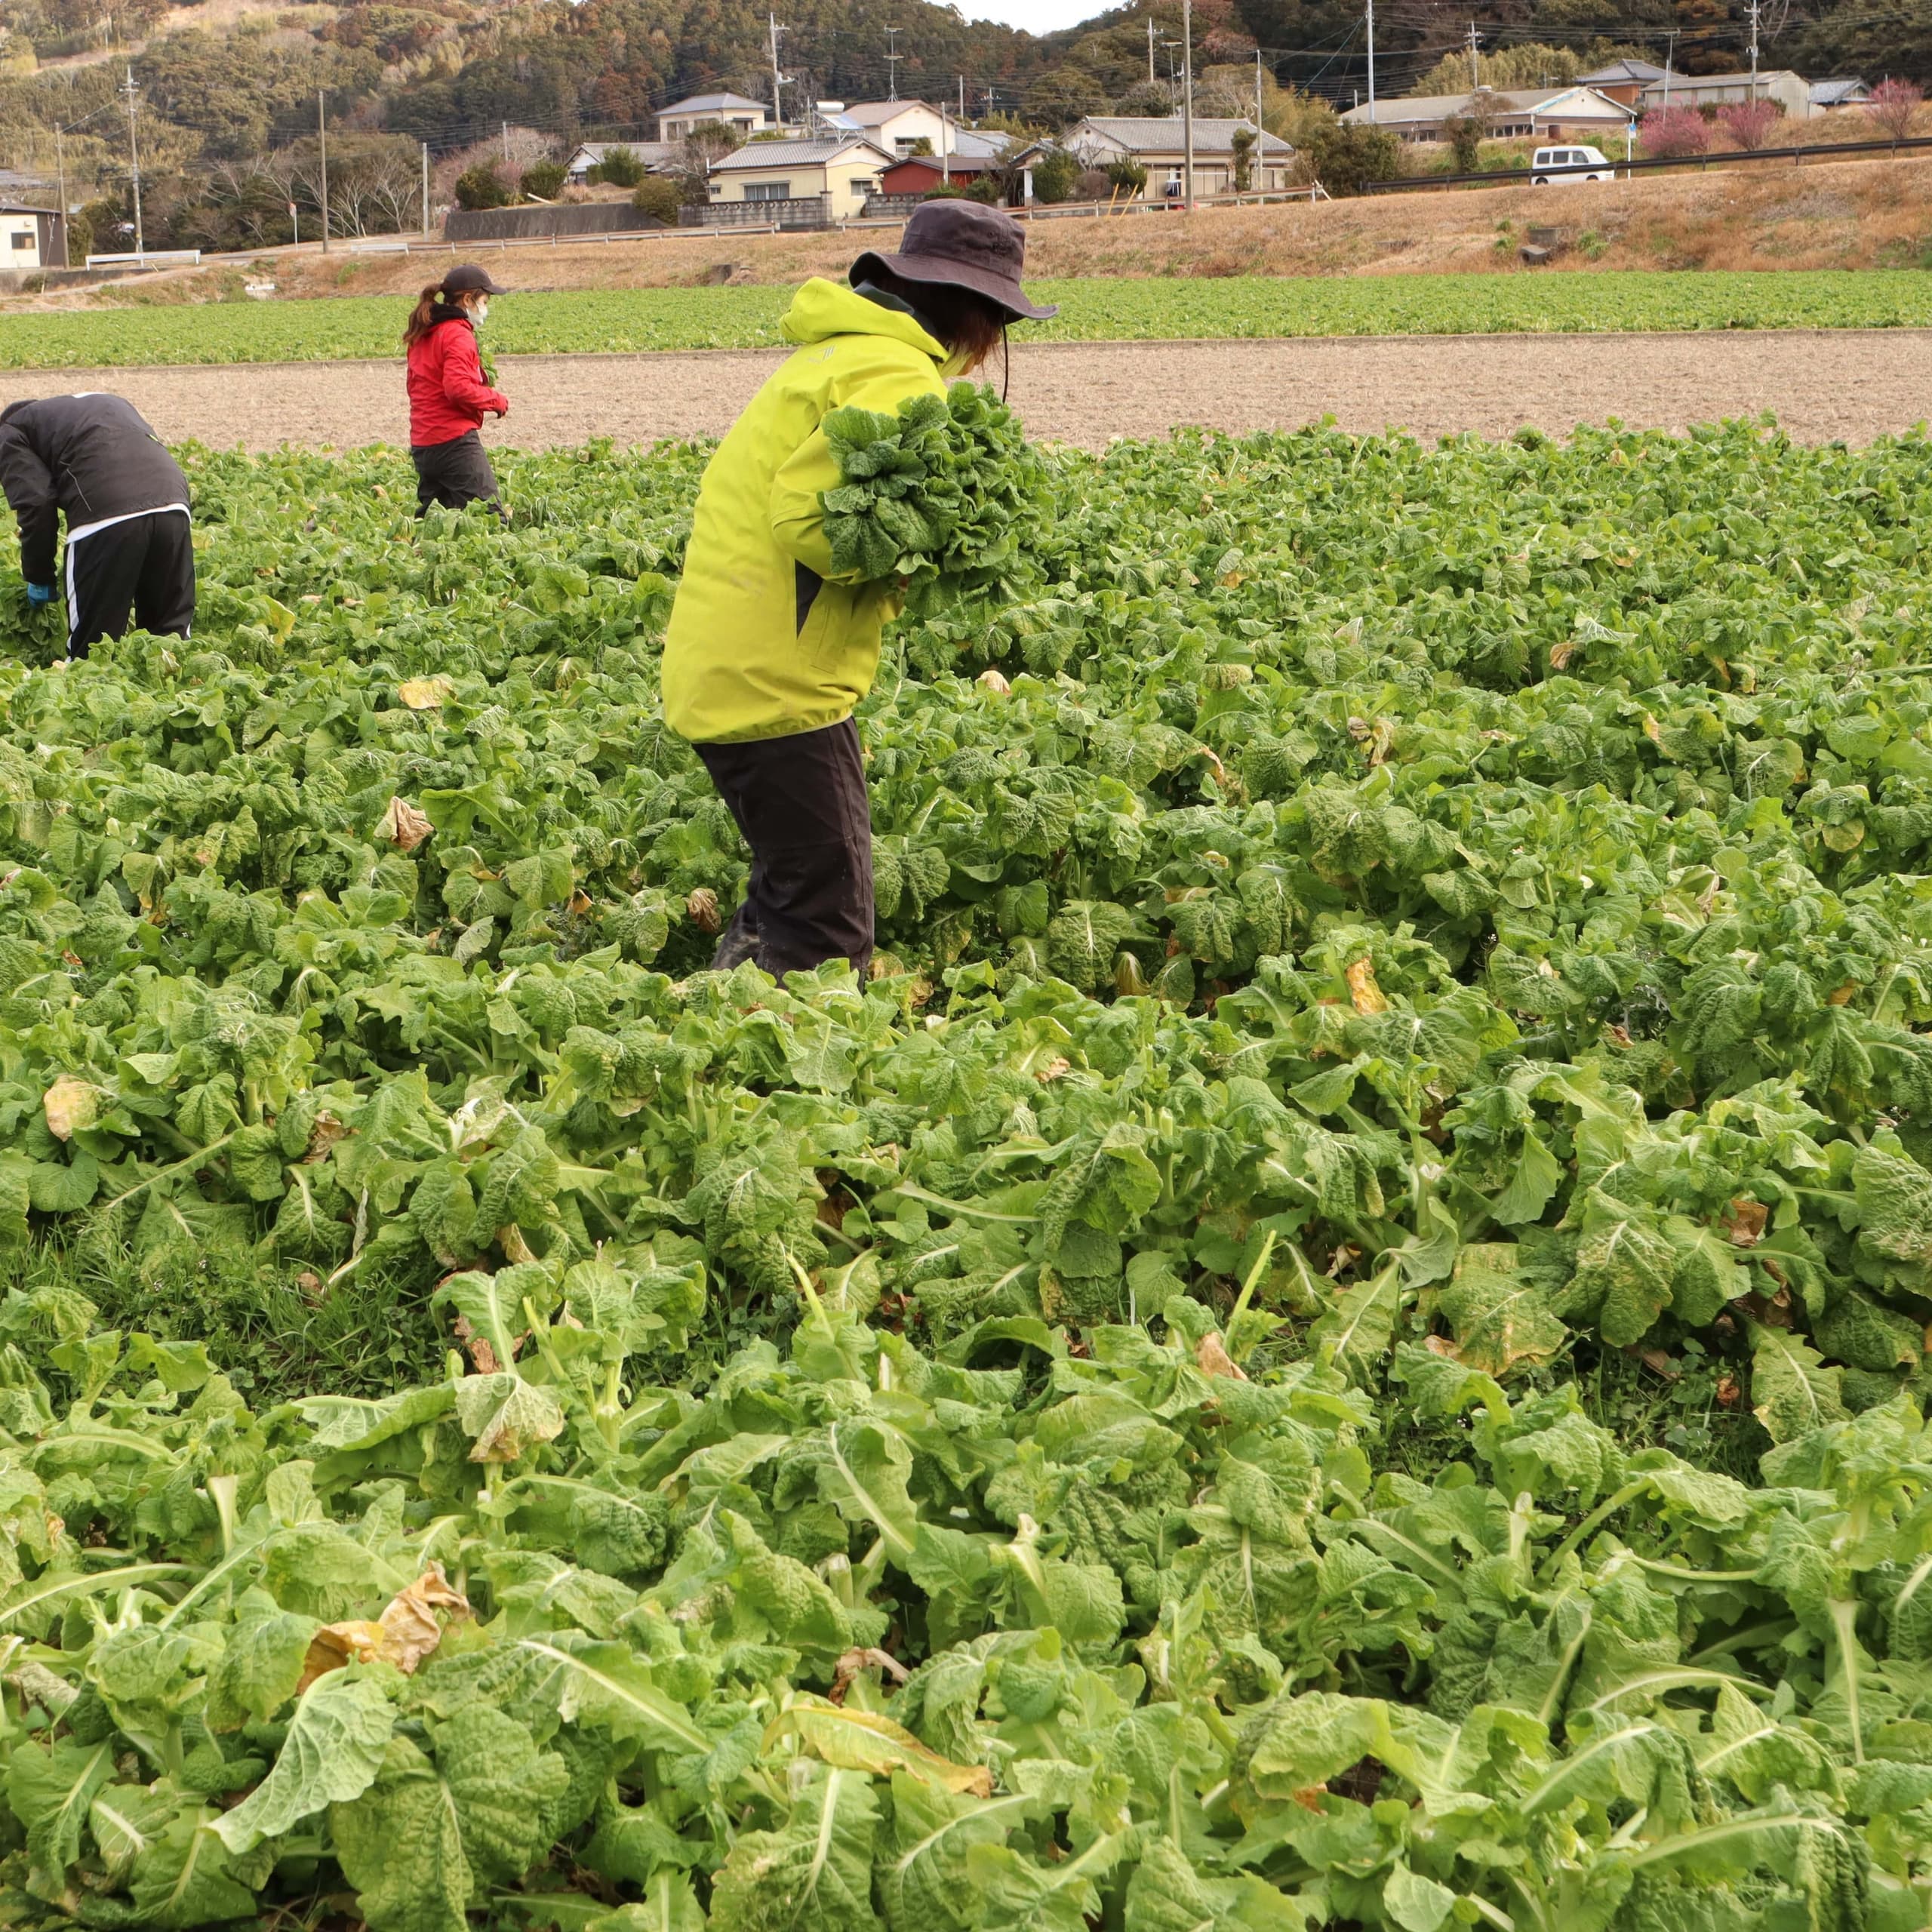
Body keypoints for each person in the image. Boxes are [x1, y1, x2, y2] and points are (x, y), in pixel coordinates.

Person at [661, 200, 1055, 984]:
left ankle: (715, 1028)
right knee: (825, 922)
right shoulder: (891, 370)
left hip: (737, 663)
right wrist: (908, 557)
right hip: (777, 680)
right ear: (973, 317)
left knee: (791, 889)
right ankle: (783, 1080)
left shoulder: (835, 353)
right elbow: (810, 516)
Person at [0, 392, 193, 660]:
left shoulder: (10, 431)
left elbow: (37, 503)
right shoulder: (106, 404)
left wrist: (38, 575)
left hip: (105, 514)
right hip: (173, 503)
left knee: (92, 654)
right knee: (169, 645)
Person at [403, 263, 509, 517]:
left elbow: (415, 387)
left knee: (437, 523)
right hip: (453, 443)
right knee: (490, 517)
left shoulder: (424, 333)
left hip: (423, 445)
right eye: (484, 301)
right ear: (467, 300)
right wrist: (495, 399)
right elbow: (458, 388)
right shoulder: (457, 335)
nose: (485, 309)